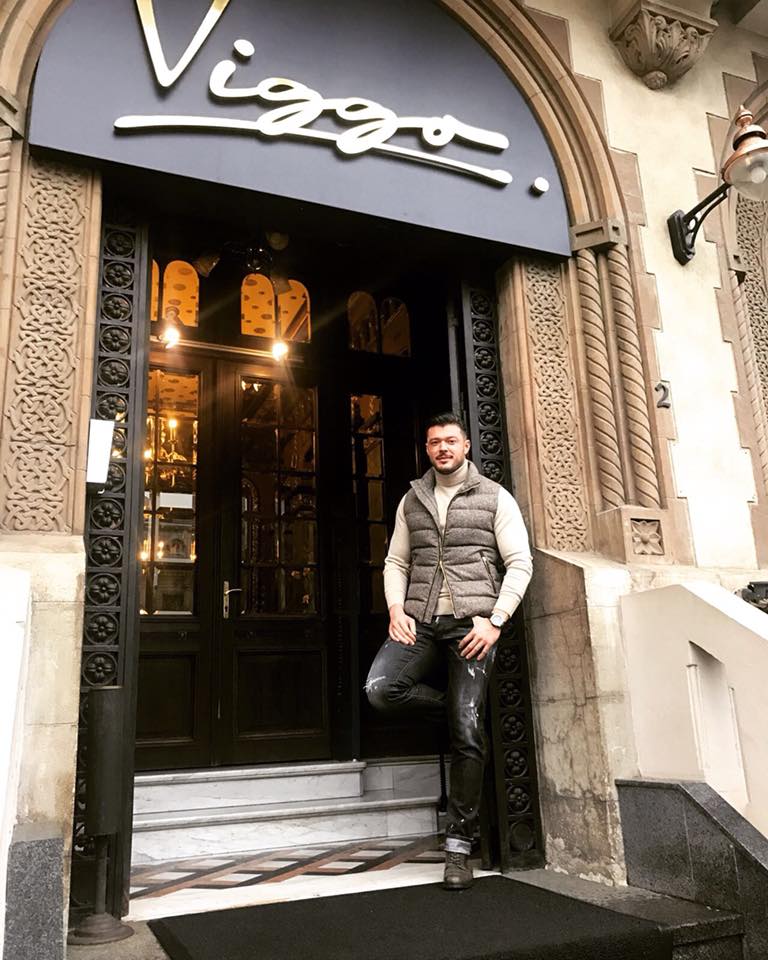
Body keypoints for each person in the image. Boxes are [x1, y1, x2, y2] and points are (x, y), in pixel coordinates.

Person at [365, 412, 532, 890]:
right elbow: (396, 561)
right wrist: (395, 609)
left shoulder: (494, 497)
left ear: (466, 446)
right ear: (427, 448)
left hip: (473, 625)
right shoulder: (412, 499)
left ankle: (458, 846)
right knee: (381, 690)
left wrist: (496, 620)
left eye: (450, 441)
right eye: (434, 441)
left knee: (466, 733)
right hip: (419, 622)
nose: (442, 448)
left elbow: (520, 562)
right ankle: (465, 715)